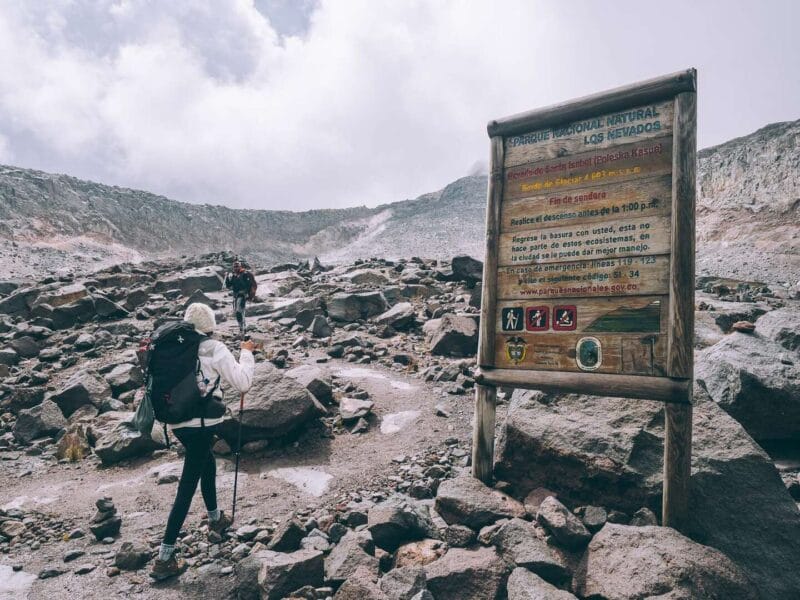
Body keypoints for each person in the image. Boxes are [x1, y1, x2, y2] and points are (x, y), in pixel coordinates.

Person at [150, 303, 256, 581]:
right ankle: (164, 557)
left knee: (206, 462)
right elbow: (243, 382)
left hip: (176, 422)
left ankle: (215, 518)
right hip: (201, 423)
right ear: (210, 324)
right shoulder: (213, 347)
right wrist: (246, 353)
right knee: (187, 486)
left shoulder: (172, 346)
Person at [224, 260, 257, 336]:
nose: (235, 268)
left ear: (240, 266)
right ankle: (242, 328)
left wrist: (250, 295)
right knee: (239, 312)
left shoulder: (245, 274)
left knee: (239, 311)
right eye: (234, 267)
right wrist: (226, 278)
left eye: (237, 266)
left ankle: (243, 328)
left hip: (242, 295)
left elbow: (250, 285)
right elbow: (228, 285)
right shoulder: (233, 275)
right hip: (236, 296)